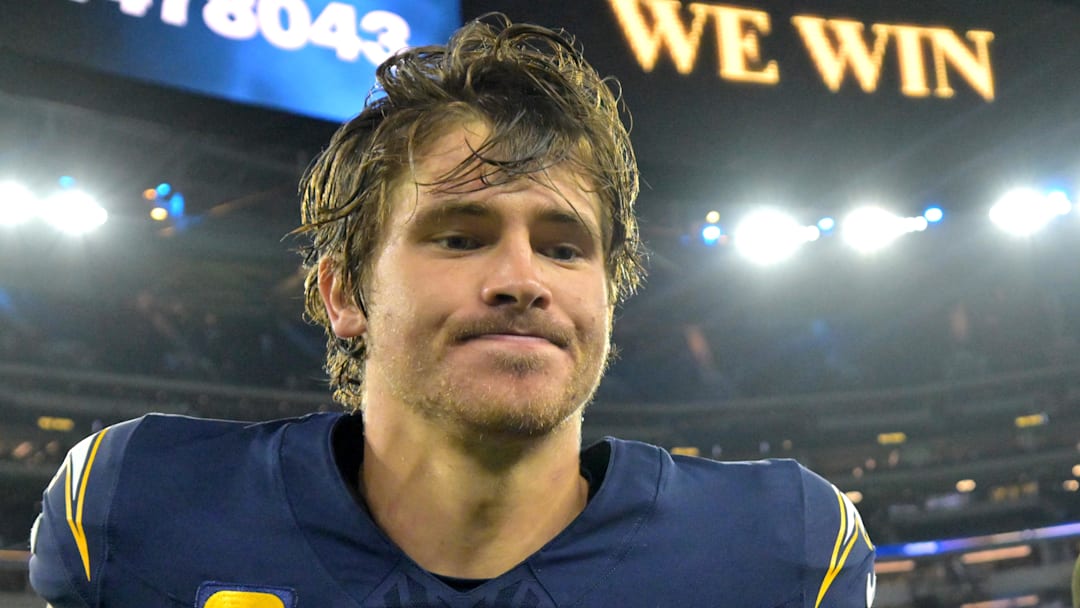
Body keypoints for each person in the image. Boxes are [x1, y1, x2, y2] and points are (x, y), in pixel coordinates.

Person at [28, 15, 875, 607]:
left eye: (565, 246)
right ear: (343, 294)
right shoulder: (140, 506)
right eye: (460, 237)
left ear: (608, 297)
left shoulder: (780, 552)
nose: (521, 278)